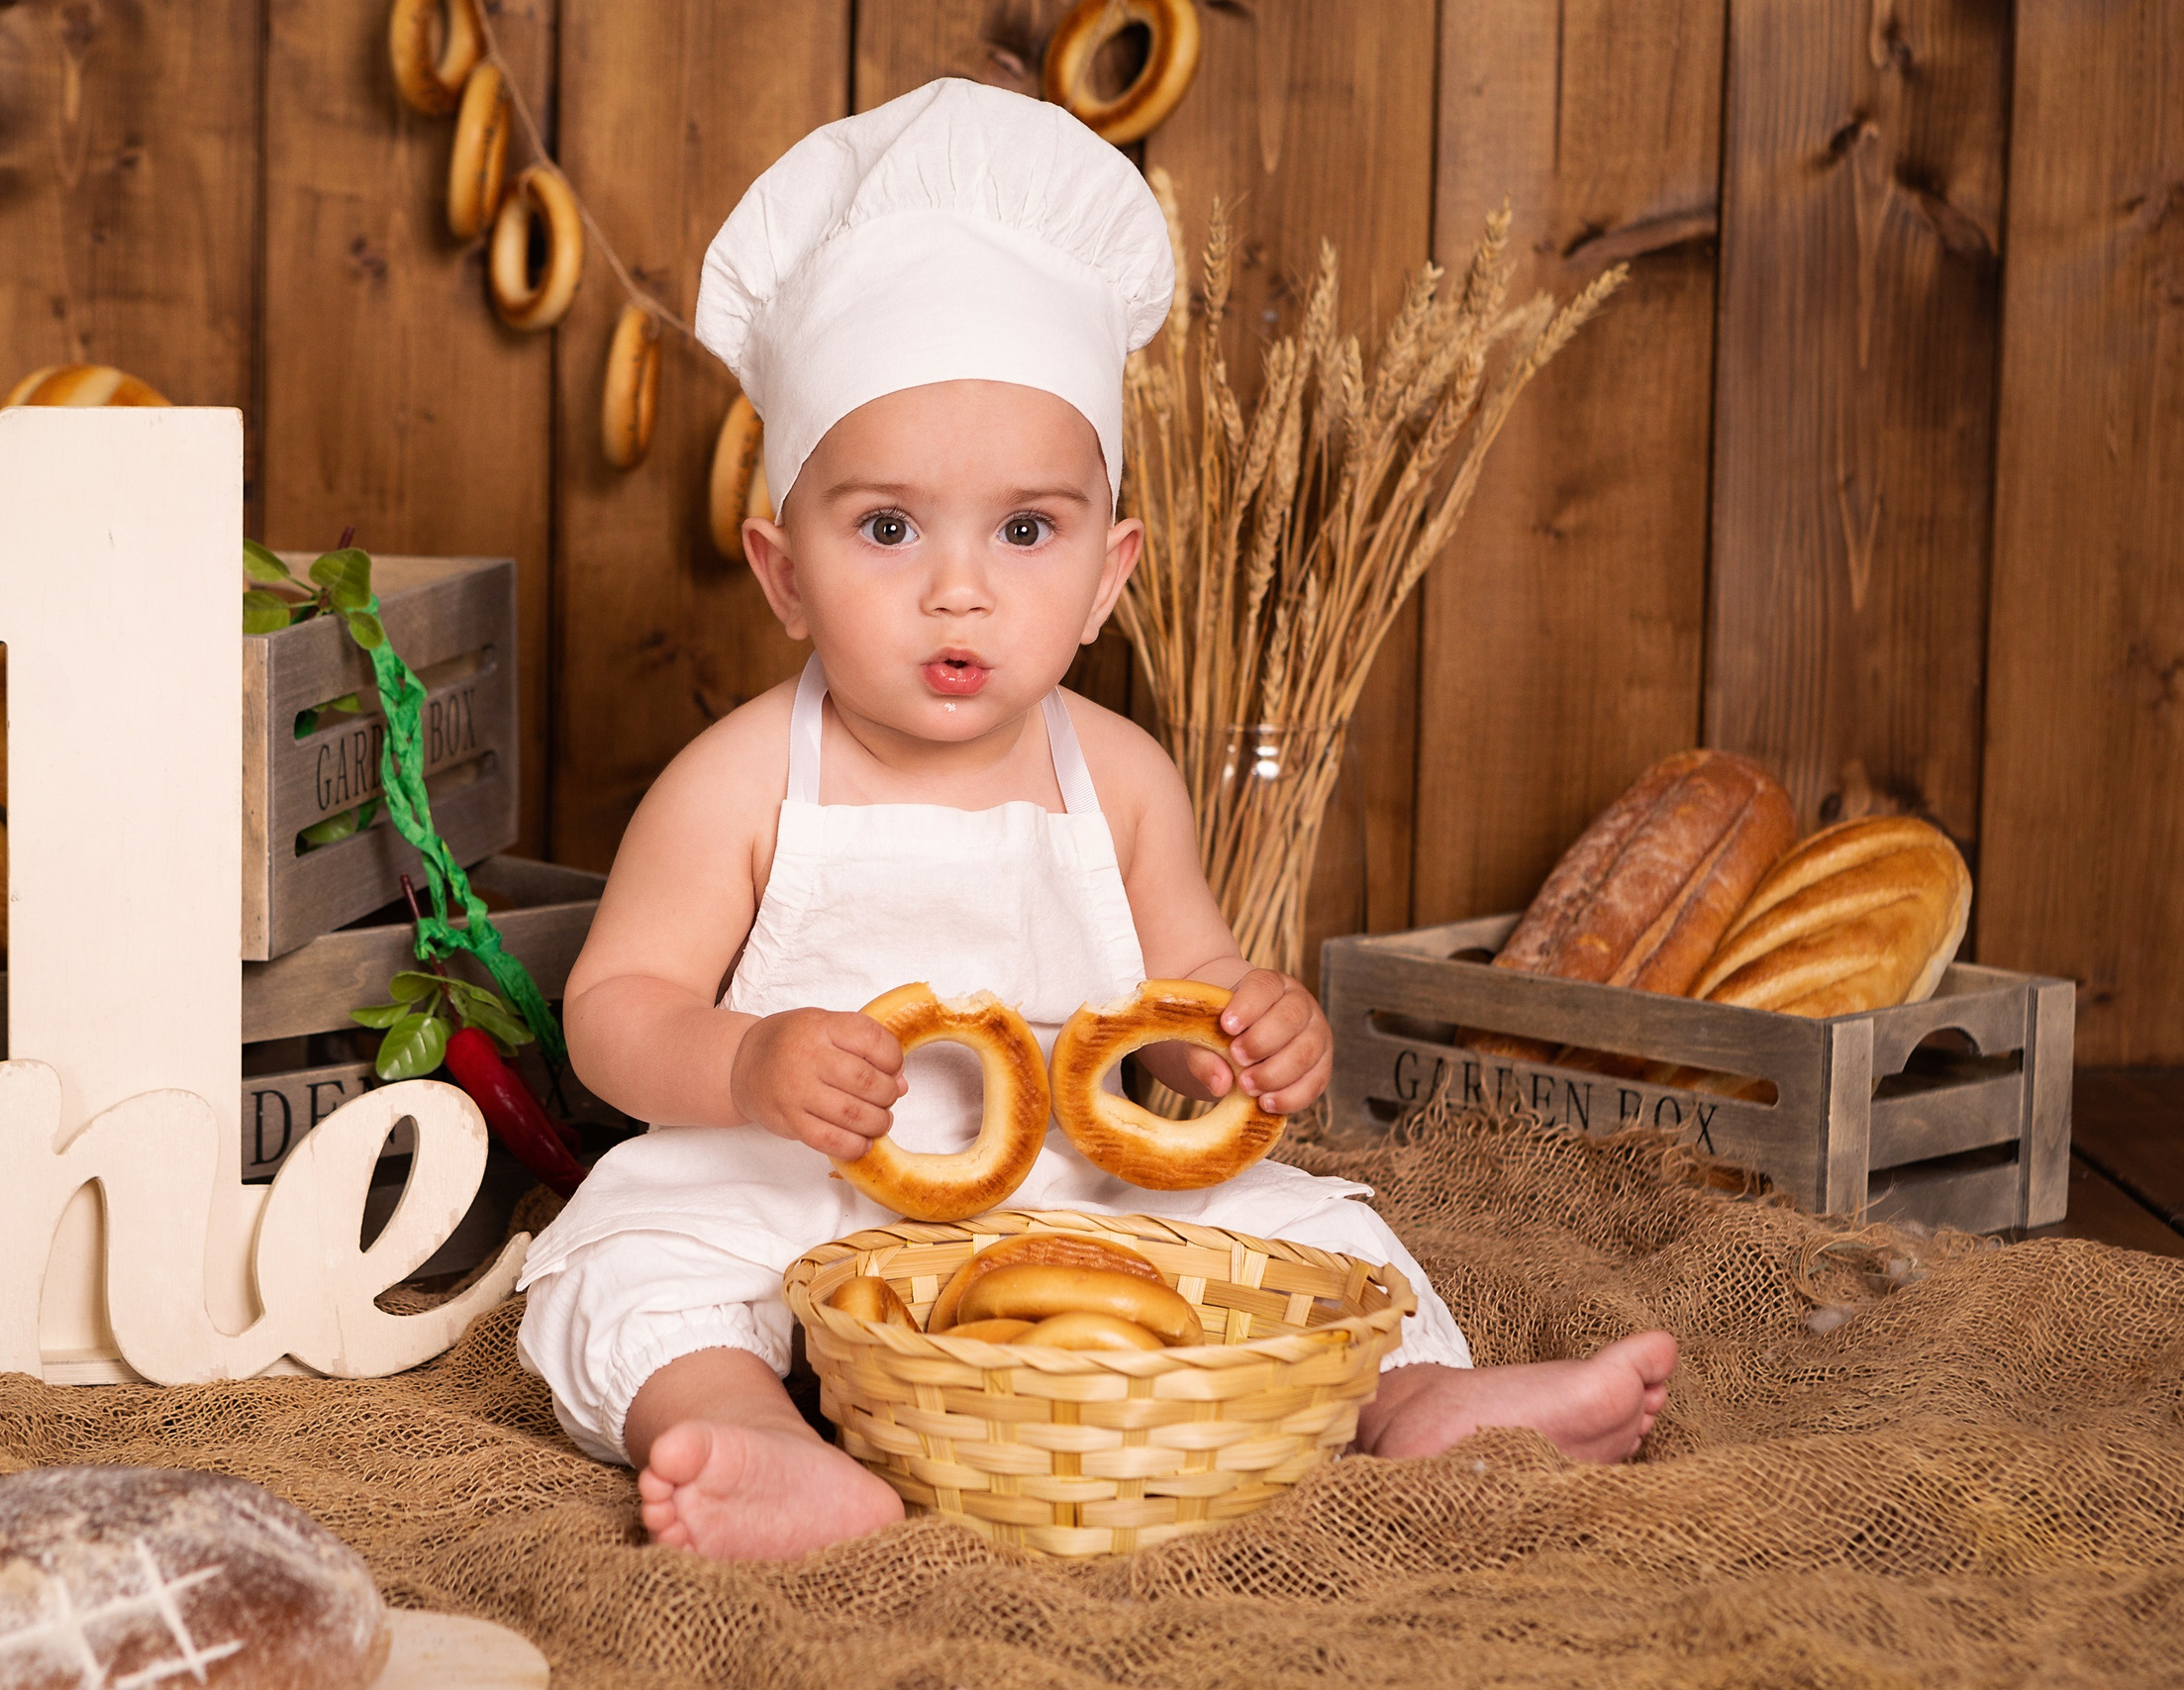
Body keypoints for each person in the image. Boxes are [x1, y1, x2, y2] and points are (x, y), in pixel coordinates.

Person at [518, 77, 1675, 1561]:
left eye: (1025, 529)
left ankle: (1417, 1401)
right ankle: (757, 1437)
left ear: (1108, 574)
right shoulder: (741, 778)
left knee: (1318, 1231)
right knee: (625, 1266)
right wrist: (748, 1062)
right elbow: (614, 1010)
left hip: (1072, 1188)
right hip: (786, 1181)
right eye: (887, 528)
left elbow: (1186, 1006)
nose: (959, 590)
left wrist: (1245, 1036)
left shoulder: (1117, 776)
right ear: (784, 571)